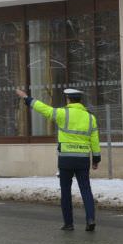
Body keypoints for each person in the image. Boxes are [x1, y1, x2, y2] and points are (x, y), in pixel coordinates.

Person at [15, 87, 100, 232]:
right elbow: (95, 140)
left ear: (68, 99)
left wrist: (27, 98)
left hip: (66, 159)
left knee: (66, 191)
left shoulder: (62, 113)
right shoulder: (90, 117)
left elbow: (44, 109)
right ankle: (90, 219)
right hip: (83, 160)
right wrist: (96, 159)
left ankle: (69, 224)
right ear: (80, 100)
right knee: (86, 189)